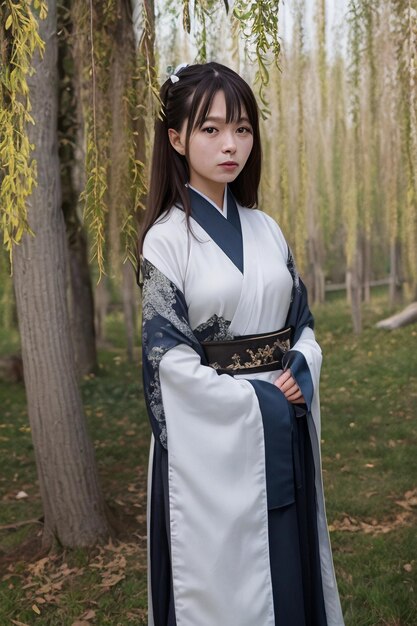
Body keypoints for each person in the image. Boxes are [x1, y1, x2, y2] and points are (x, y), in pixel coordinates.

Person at [139, 61, 345, 626]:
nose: (231, 144)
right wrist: (265, 401)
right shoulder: (165, 242)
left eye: (243, 129)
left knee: (288, 570)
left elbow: (300, 322)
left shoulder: (266, 228)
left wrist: (300, 368)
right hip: (212, 439)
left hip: (284, 418)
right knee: (224, 586)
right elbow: (169, 366)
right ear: (177, 138)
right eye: (211, 129)